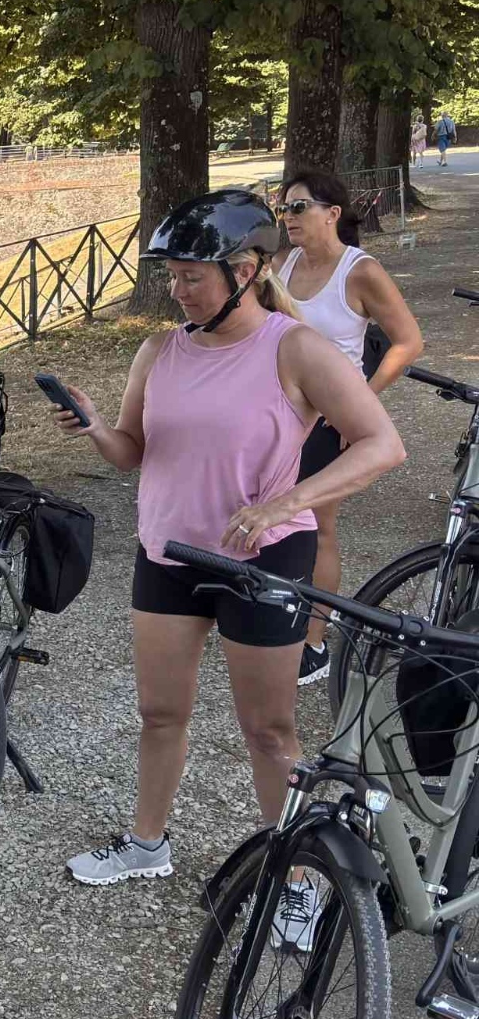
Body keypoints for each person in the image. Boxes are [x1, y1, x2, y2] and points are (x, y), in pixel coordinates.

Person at [52, 191, 403, 944]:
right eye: (171, 277)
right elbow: (133, 453)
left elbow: (381, 445)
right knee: (160, 713)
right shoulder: (162, 350)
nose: (176, 292)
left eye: (191, 278)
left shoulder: (294, 348)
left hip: (263, 559)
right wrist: (92, 424)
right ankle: (148, 843)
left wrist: (287, 505)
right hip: (170, 553)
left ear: (248, 270)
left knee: (270, 728)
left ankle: (299, 879)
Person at [275, 167, 424, 685]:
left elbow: (408, 341)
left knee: (317, 526)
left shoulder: (359, 272)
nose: (287, 216)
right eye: (283, 208)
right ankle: (281, 614)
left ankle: (313, 641)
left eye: (298, 207)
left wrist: (359, 401)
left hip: (329, 419)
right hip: (283, 414)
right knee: (279, 518)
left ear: (332, 213)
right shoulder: (283, 263)